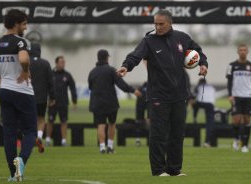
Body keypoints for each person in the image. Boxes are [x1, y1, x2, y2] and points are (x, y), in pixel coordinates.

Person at [116, 9, 208, 176]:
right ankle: (158, 170)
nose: (157, 27)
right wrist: (126, 66)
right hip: (158, 95)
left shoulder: (182, 38)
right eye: (155, 23)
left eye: (161, 24)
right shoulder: (149, 40)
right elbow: (135, 56)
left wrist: (203, 64)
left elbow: (199, 51)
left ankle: (174, 169)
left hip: (179, 95)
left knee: (177, 134)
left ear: (170, 23)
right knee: (158, 134)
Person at [0, 9, 37, 181]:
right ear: (16, 24)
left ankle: (13, 174)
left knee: (9, 133)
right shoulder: (21, 42)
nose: (26, 26)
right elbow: (24, 59)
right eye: (24, 23)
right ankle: (21, 160)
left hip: (6, 92)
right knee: (31, 131)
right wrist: (25, 71)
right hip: (22, 91)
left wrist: (2, 85)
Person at [88, 49, 141, 154]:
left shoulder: (92, 72)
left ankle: (102, 147)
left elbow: (90, 87)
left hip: (97, 102)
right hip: (110, 102)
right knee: (112, 124)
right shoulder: (111, 70)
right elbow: (121, 84)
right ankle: (110, 147)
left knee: (100, 125)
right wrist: (133, 90)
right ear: (107, 58)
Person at [226, 43, 251, 153]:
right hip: (236, 96)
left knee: (247, 120)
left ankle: (245, 145)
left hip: (248, 96)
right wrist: (230, 94)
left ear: (247, 52)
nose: (243, 52)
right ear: (238, 52)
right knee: (236, 120)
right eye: (241, 50)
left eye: (245, 50)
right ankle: (236, 140)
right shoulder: (232, 66)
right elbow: (229, 82)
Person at [29, 42, 55, 152]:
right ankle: (39, 136)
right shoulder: (45, 63)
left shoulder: (26, 63)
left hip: (28, 96)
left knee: (29, 119)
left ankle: (29, 140)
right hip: (42, 97)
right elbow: (51, 82)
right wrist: (52, 97)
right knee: (41, 119)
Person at [46, 56, 77, 146]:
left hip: (63, 102)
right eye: (61, 62)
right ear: (56, 63)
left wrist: (74, 101)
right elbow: (45, 87)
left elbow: (73, 88)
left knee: (64, 121)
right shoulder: (50, 74)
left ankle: (64, 141)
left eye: (64, 62)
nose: (63, 64)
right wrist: (47, 100)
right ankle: (47, 140)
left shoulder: (67, 75)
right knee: (50, 120)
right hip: (52, 102)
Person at [192, 78, 215, 147]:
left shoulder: (198, 86)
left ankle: (195, 118)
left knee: (195, 104)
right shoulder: (211, 87)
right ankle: (207, 141)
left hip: (200, 102)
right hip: (210, 104)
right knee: (209, 123)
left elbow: (193, 96)